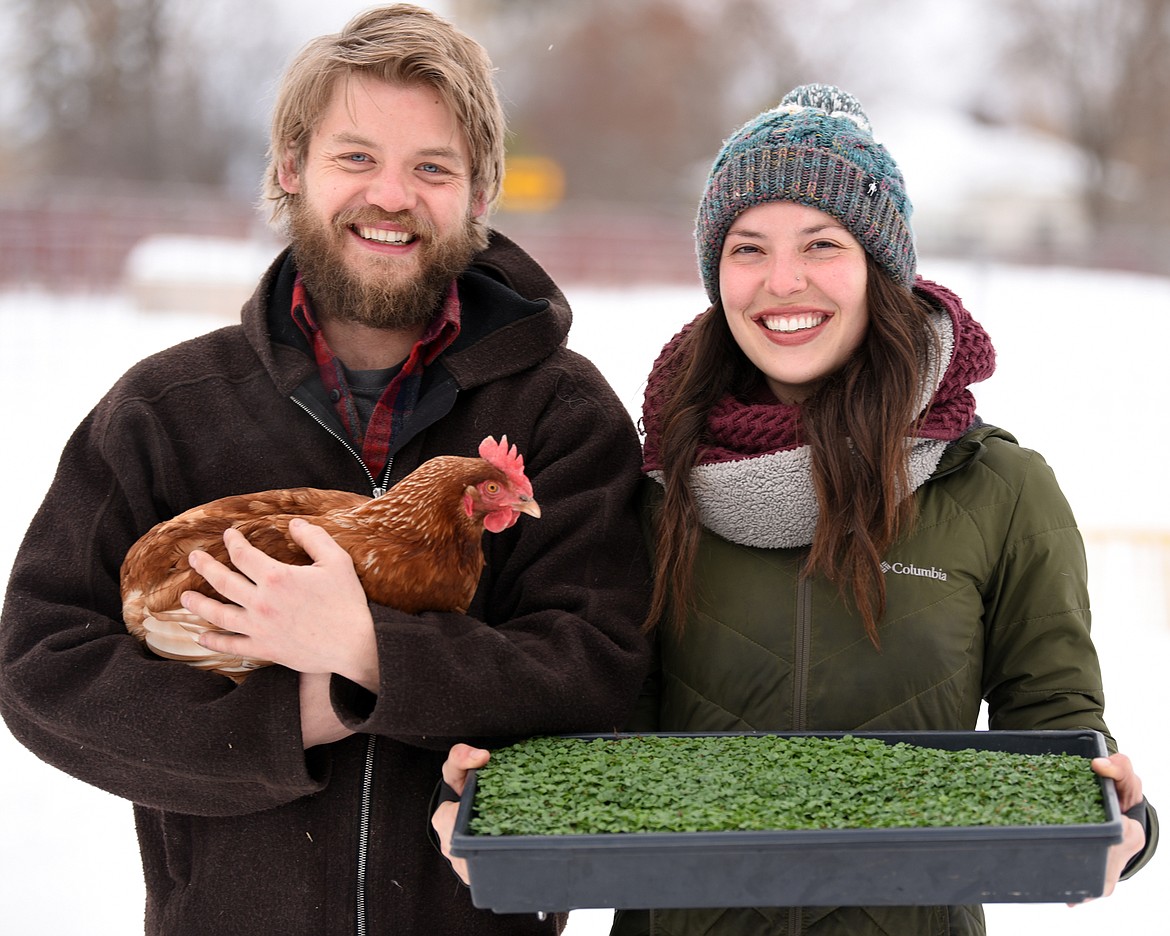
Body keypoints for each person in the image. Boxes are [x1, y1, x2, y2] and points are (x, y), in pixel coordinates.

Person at [432, 84, 1158, 935]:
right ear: (716, 274)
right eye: (748, 248)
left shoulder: (999, 488)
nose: (783, 282)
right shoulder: (658, 488)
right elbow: (607, 741)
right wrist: (504, 800)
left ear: (880, 270)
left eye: (822, 243)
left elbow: (1061, 742)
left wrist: (1126, 823)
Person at [0, 5, 651, 936]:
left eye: (432, 167)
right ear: (291, 171)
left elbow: (600, 667)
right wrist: (287, 718)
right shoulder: (166, 410)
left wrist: (372, 654)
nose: (391, 196)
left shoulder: (561, 414)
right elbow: (39, 667)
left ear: (477, 196)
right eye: (356, 157)